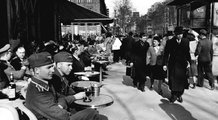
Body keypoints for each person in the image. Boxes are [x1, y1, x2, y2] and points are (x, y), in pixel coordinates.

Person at [25, 52, 108, 120]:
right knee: (92, 113)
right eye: (49, 67)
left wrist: (61, 105)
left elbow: (61, 98)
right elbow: (62, 116)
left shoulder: (45, 83)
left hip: (58, 115)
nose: (53, 70)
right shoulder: (36, 91)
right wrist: (64, 107)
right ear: (36, 70)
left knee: (94, 114)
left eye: (52, 67)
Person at [163, 26, 191, 103]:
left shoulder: (186, 41)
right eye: (178, 34)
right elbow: (166, 54)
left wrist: (189, 62)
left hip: (182, 64)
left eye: (181, 34)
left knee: (181, 81)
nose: (180, 36)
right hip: (173, 64)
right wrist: (164, 64)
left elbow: (187, 53)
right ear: (175, 34)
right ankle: (173, 95)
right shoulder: (170, 42)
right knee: (173, 80)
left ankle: (180, 94)